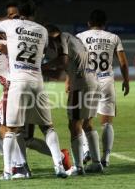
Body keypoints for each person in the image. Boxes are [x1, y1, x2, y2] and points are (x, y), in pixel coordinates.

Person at [0, 0, 68, 180]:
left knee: (11, 130)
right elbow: (43, 51)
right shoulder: (43, 30)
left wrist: (9, 18)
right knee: (48, 128)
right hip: (37, 81)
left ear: (18, 14)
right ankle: (59, 166)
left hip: (18, 82)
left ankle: (9, 171)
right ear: (34, 14)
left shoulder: (11, 24)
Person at [44, 24, 103, 175]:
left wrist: (42, 67)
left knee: (74, 125)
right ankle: (96, 163)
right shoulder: (74, 38)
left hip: (81, 84)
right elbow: (64, 69)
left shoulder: (61, 38)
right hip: (94, 81)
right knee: (88, 124)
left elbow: (62, 61)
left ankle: (78, 167)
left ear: (50, 36)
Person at [76, 9, 130, 167]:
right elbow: (123, 63)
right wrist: (126, 81)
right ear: (105, 24)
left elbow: (76, 62)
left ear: (88, 23)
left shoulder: (80, 37)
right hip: (106, 81)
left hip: (88, 81)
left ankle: (87, 149)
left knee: (85, 120)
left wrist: (69, 80)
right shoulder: (114, 37)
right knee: (107, 122)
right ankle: (106, 158)